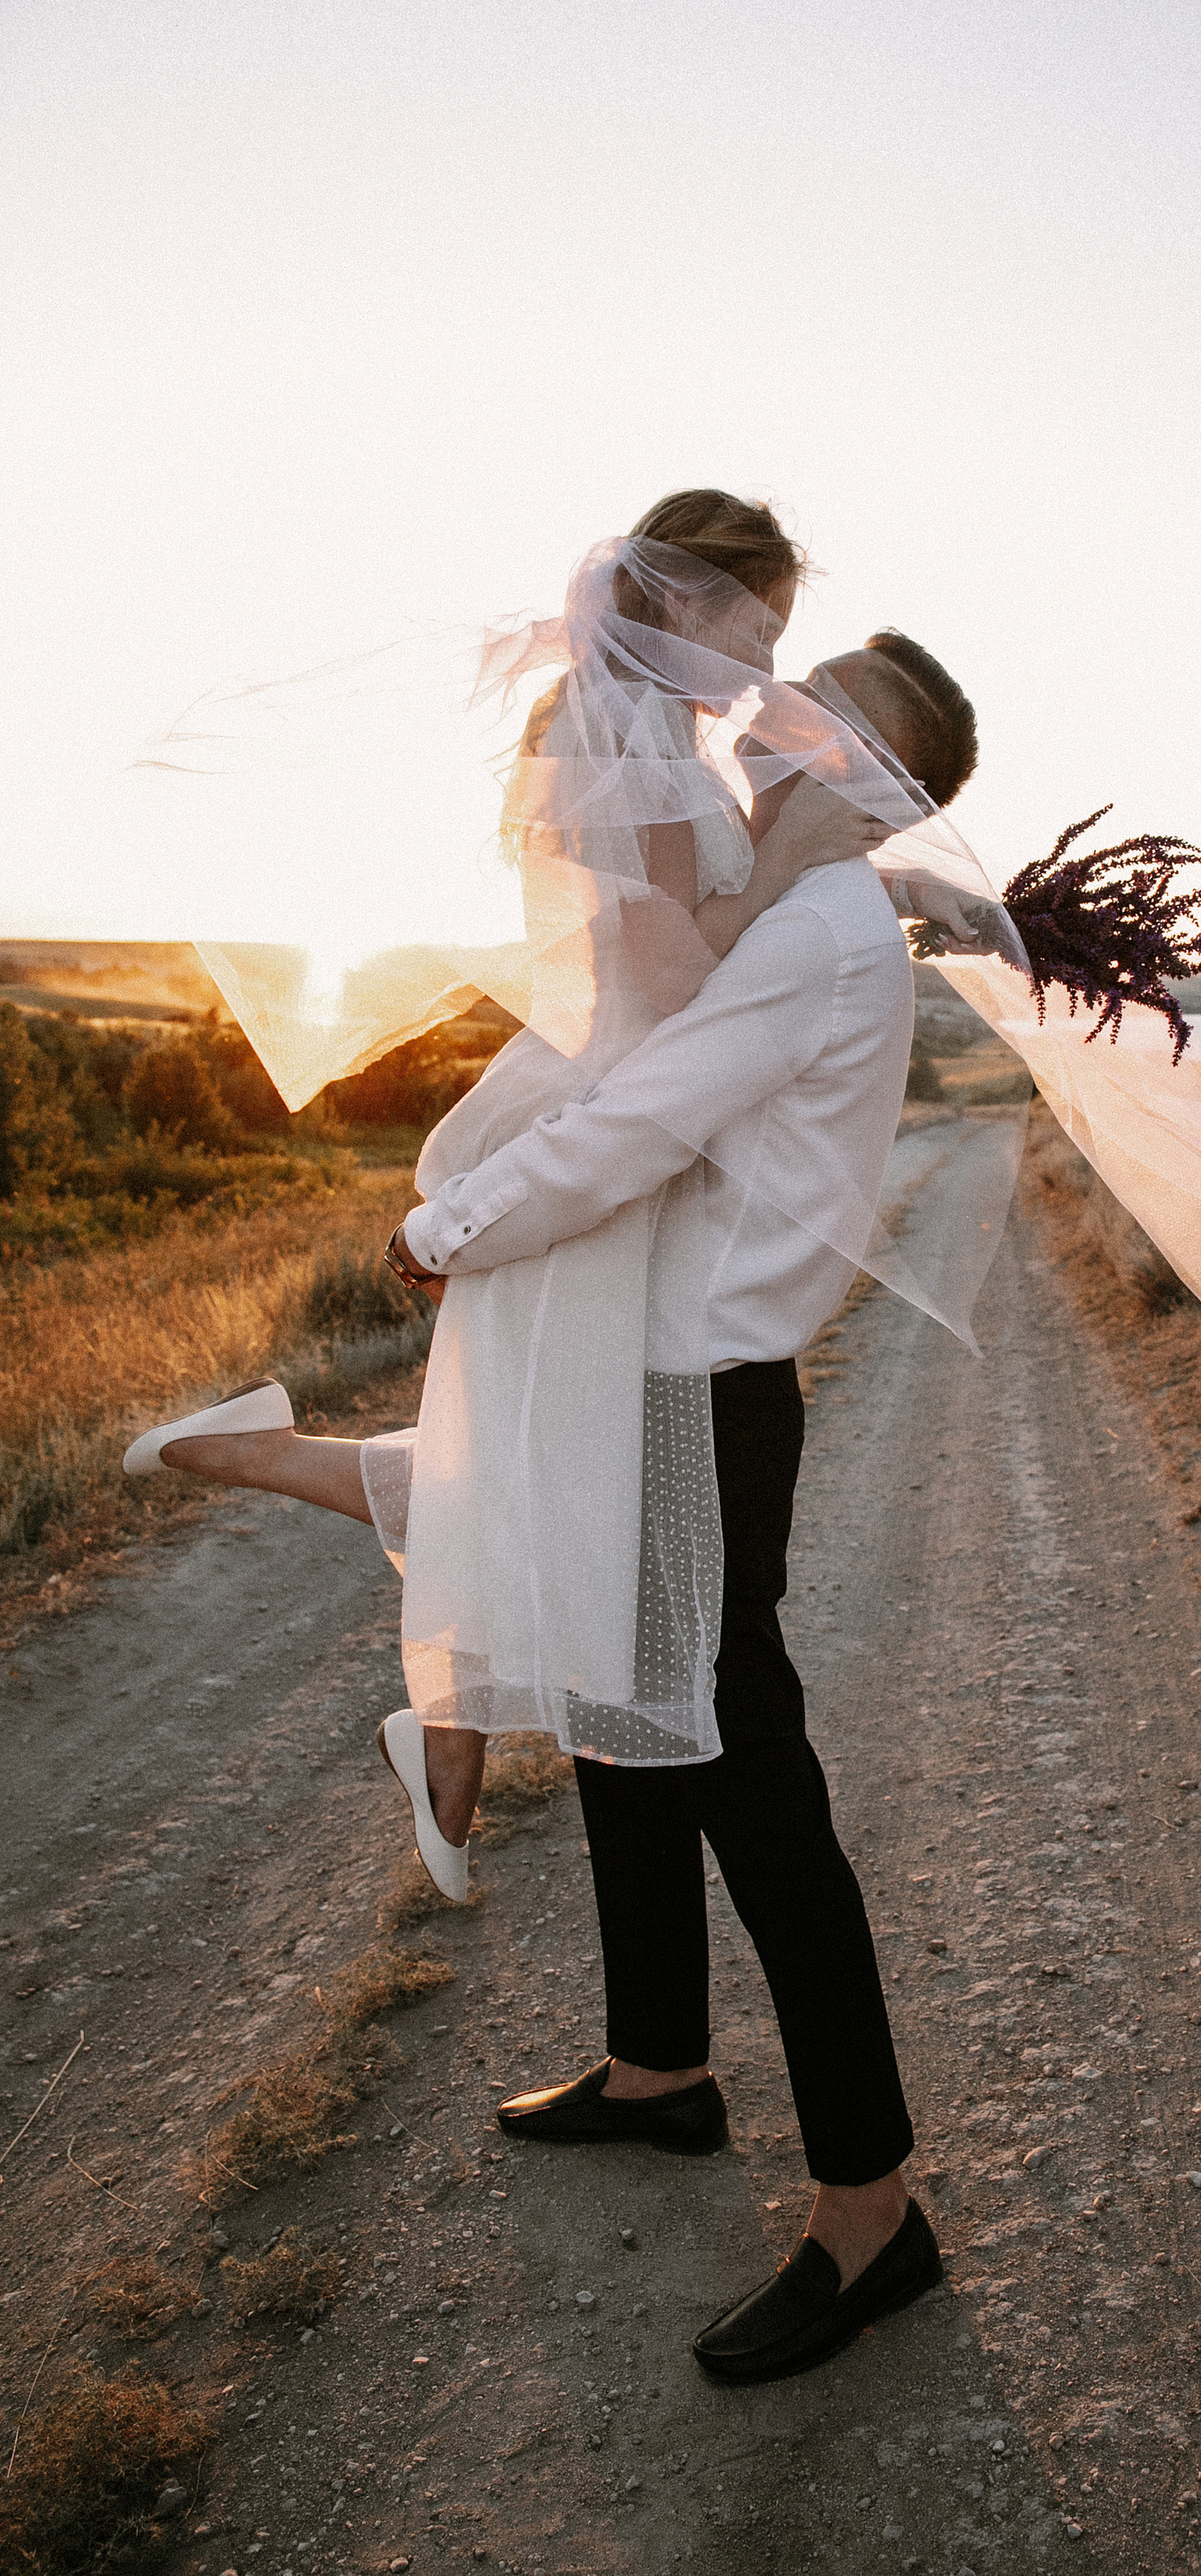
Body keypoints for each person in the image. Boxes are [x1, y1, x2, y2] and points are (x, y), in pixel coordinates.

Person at [128, 532, 995, 2382]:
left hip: (700, 1398)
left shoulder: (825, 927)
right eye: (794, 701)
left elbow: (639, 1123)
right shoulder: (788, 896)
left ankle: (871, 2213)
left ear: (887, 782)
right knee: (621, 1730)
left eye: (833, 728)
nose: (778, 732)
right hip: (648, 1375)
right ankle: (659, 2063)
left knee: (757, 1789)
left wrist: (444, 1232)